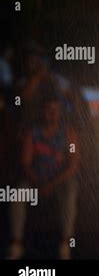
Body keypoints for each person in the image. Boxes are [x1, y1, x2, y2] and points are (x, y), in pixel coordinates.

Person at [7, 95, 80, 259]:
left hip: (60, 180)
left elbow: (73, 165)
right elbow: (25, 163)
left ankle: (65, 243)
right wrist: (38, 182)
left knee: (71, 191)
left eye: (55, 110)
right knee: (17, 194)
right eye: (48, 110)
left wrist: (53, 183)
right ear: (43, 112)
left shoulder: (69, 133)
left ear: (60, 112)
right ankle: (16, 244)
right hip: (35, 180)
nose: (51, 113)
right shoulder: (33, 133)